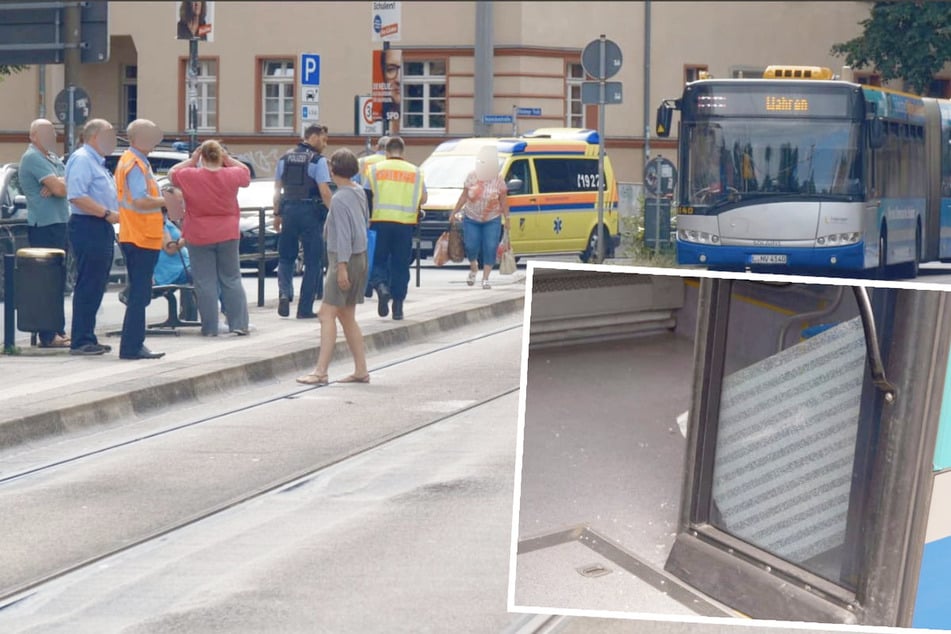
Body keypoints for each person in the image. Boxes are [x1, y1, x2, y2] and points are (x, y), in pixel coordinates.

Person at [297, 149, 370, 386]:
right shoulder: (358, 191)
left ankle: (320, 372)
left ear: (332, 170)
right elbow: (363, 224)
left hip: (344, 260)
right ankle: (361, 370)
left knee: (325, 314)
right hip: (359, 258)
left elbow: (343, 236)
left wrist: (341, 268)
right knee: (347, 316)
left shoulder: (339, 199)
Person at [168, 140, 251, 336]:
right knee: (231, 278)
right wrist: (228, 159)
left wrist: (192, 159)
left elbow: (172, 173)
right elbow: (246, 173)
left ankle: (210, 327)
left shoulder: (190, 175)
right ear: (219, 156)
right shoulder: (232, 174)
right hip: (228, 231)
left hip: (198, 232)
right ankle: (238, 324)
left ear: (202, 156)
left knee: (204, 281)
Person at [65, 119, 119, 356]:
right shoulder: (83, 159)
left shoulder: (97, 162)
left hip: (100, 225)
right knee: (89, 282)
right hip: (89, 224)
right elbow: (76, 195)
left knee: (97, 283)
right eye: (109, 136)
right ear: (95, 137)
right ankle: (81, 340)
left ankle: (88, 335)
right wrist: (106, 213)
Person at [115, 119, 167, 360]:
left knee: (140, 292)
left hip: (138, 234)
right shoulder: (134, 164)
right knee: (139, 293)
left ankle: (134, 344)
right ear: (137, 138)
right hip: (140, 235)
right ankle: (132, 346)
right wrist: (167, 201)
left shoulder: (135, 161)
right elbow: (140, 200)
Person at [18, 118, 70, 348]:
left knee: (59, 280)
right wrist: (58, 184)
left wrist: (58, 182)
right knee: (47, 282)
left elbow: (69, 183)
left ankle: (58, 329)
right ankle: (48, 335)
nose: (52, 136)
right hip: (45, 225)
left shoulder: (52, 157)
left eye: (53, 132)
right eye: (45, 132)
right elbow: (61, 189)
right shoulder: (32, 157)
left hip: (60, 222)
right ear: (33, 136)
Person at [273, 124, 332, 319]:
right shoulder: (318, 161)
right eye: (323, 139)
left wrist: (277, 215)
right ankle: (304, 308)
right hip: (310, 212)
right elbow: (324, 191)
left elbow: (277, 189)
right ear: (313, 137)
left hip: (288, 210)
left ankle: (284, 293)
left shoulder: (284, 158)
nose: (325, 144)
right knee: (313, 260)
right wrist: (334, 213)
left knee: (286, 257)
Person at [363, 136, 426, 321]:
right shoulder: (416, 172)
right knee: (400, 265)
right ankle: (397, 306)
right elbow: (423, 199)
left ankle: (381, 287)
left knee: (378, 260)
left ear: (387, 151)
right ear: (403, 151)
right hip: (405, 225)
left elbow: (366, 196)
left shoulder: (374, 170)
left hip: (380, 222)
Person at [451, 145, 510, 289]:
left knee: (490, 247)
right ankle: (473, 267)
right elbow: (464, 195)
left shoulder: (498, 179)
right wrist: (454, 212)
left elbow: (503, 200)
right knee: (471, 246)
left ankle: (486, 278)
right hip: (471, 218)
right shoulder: (472, 176)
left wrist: (507, 218)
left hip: (492, 219)